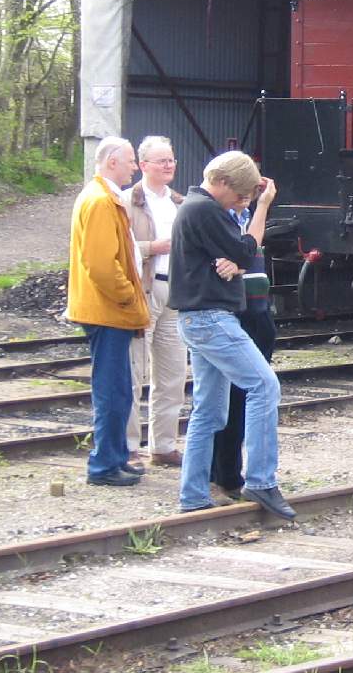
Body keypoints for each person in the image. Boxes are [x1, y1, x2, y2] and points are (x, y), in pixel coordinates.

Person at [169, 150, 294, 519]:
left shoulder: (195, 209)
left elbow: (240, 256)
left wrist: (236, 261)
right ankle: (260, 479)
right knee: (264, 386)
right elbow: (247, 248)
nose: (241, 202)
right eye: (240, 196)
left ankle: (193, 495)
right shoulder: (204, 209)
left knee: (209, 411)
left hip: (198, 319)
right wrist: (260, 211)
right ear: (221, 182)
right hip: (210, 318)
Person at [66, 136, 150, 487]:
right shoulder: (101, 202)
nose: (134, 167)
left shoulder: (101, 197)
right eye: (131, 160)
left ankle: (114, 457)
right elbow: (102, 265)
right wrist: (130, 298)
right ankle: (103, 466)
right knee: (112, 389)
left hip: (105, 309)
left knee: (118, 389)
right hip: (107, 310)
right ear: (112, 162)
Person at [122, 135, 186, 468]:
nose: (168, 165)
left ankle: (163, 446)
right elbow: (120, 249)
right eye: (161, 161)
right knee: (134, 372)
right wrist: (152, 248)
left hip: (174, 291)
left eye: (171, 160)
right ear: (143, 165)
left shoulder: (180, 202)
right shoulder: (125, 202)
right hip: (142, 292)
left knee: (173, 373)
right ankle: (130, 446)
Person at [210, 203, 278, 501]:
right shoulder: (215, 217)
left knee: (247, 397)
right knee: (230, 398)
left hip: (257, 311)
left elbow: (251, 248)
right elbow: (243, 253)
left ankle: (232, 474)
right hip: (236, 313)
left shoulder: (244, 216)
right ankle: (222, 475)